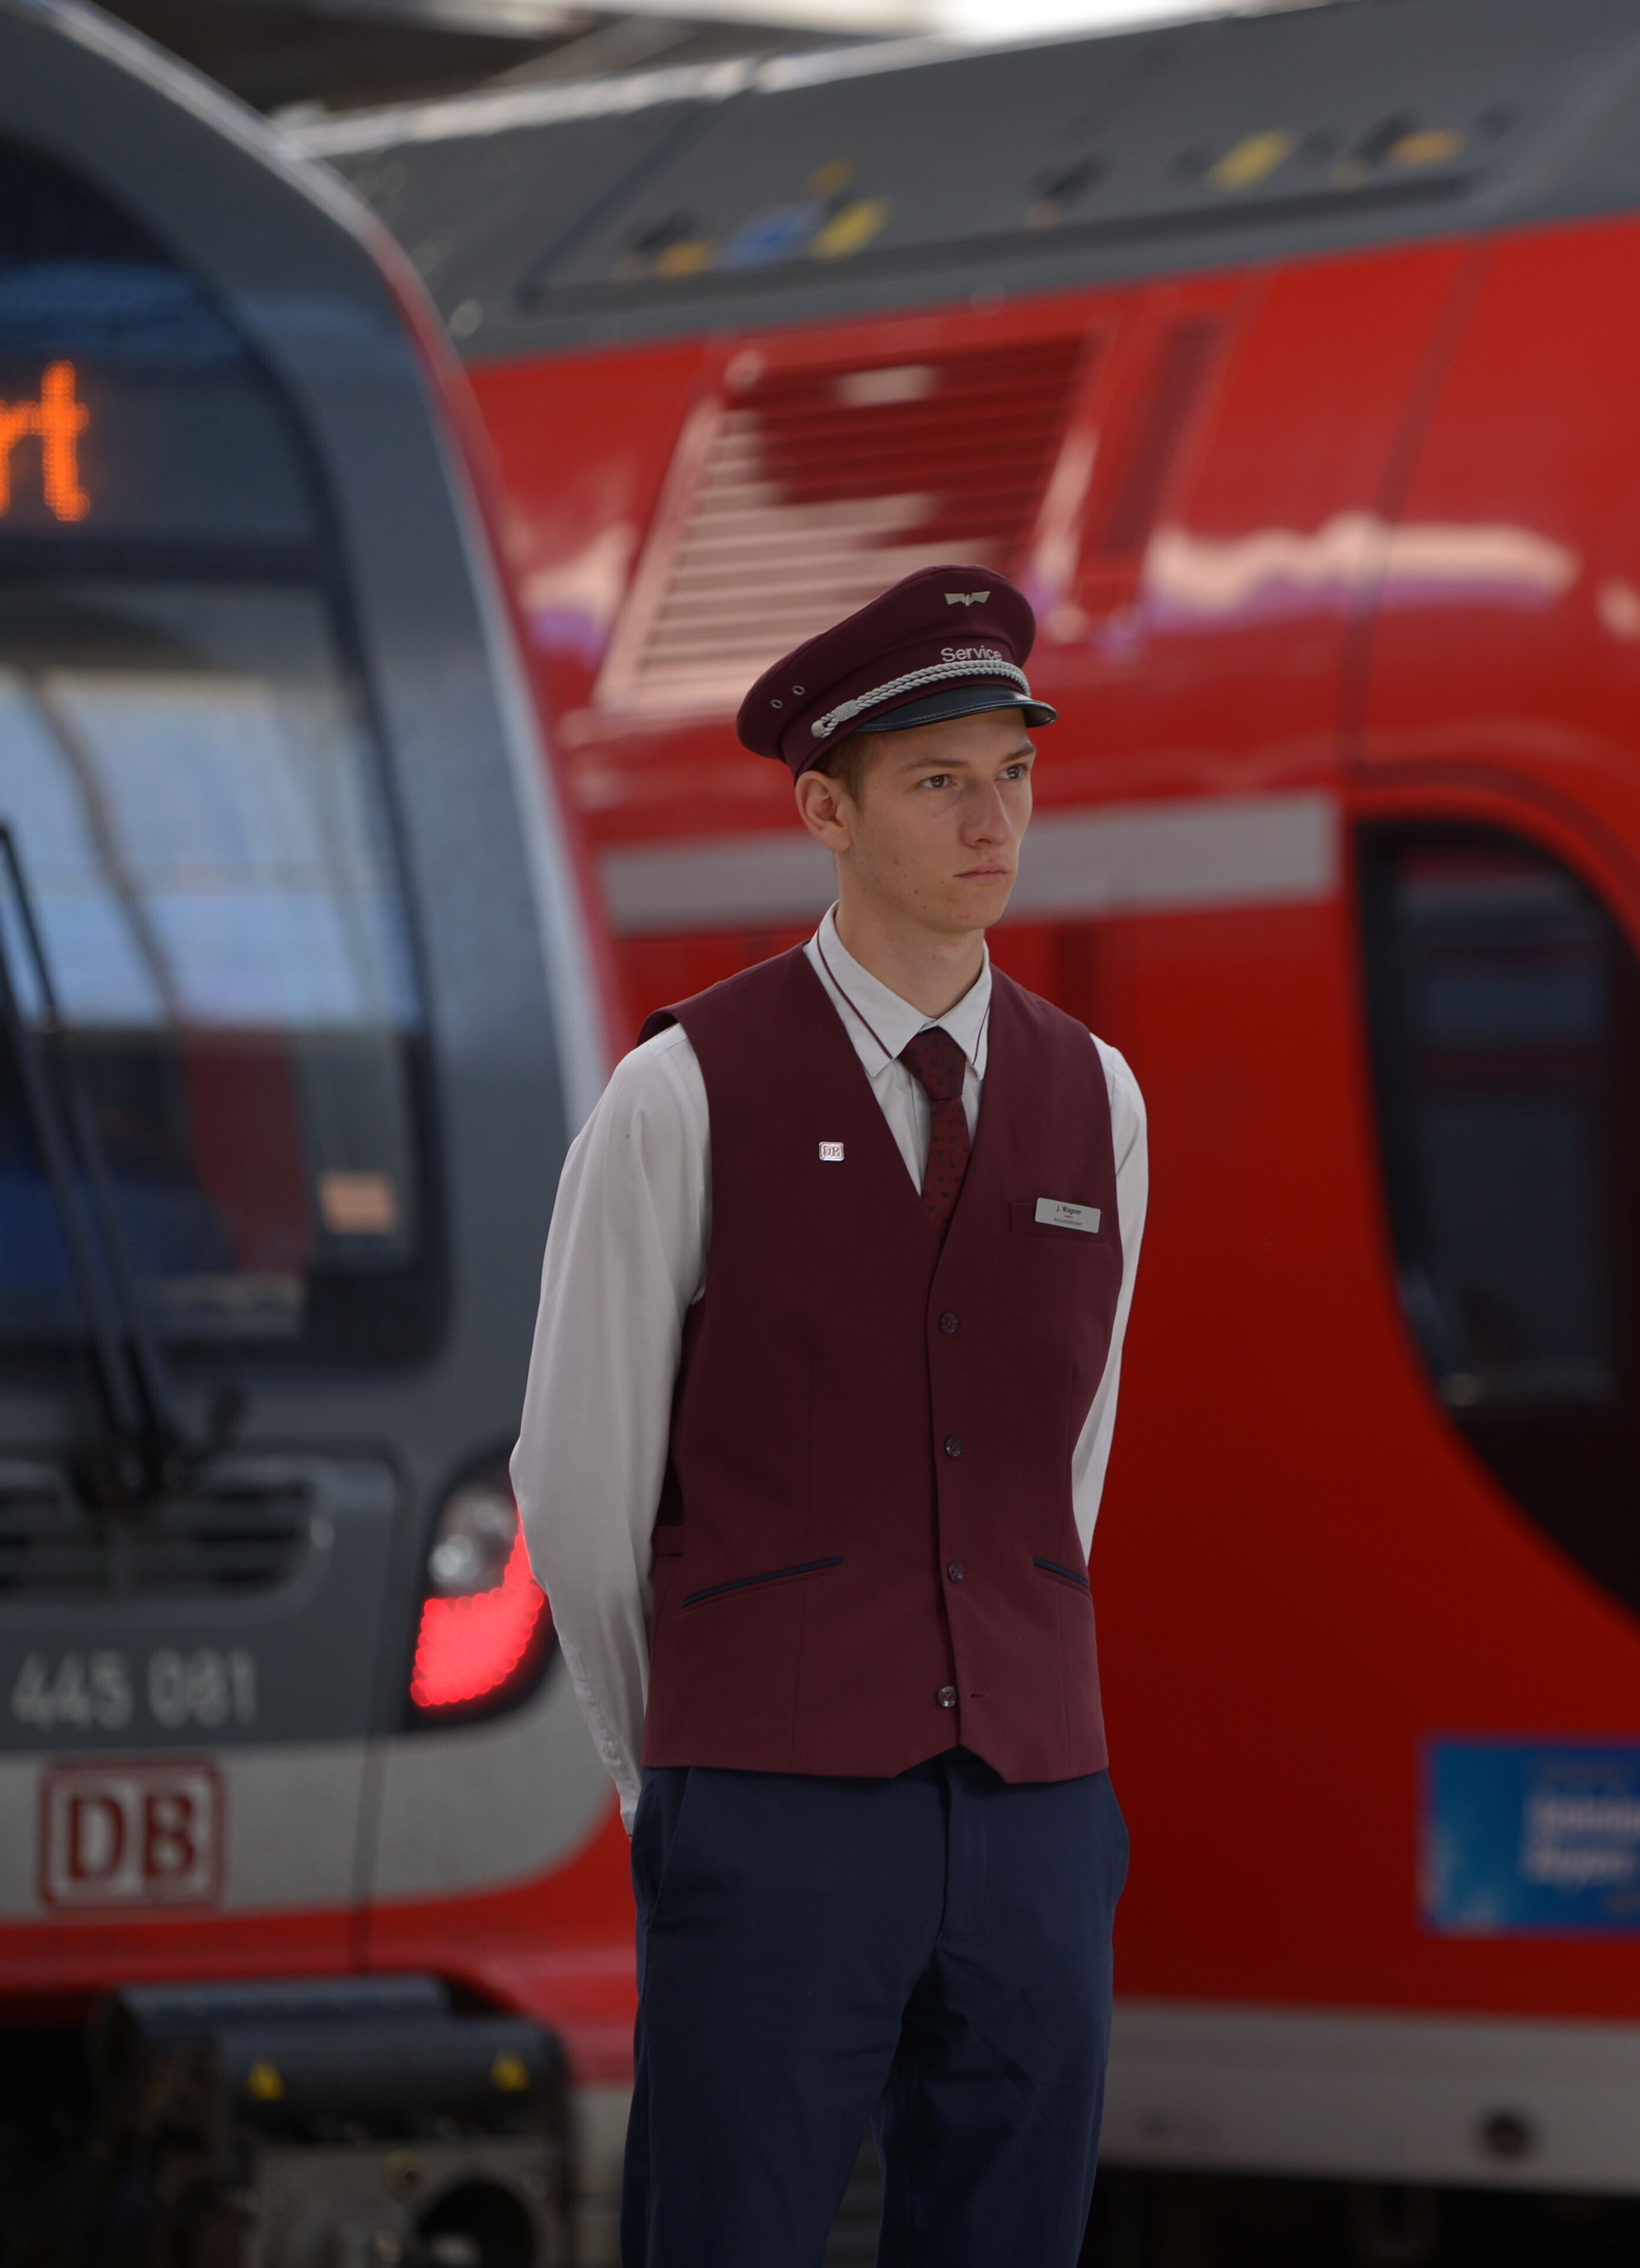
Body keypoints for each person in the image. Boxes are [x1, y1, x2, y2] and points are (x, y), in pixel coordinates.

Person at [512, 563, 1146, 2266]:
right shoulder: (680, 1093)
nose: (990, 815)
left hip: (1033, 1807)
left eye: (1011, 770)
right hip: (767, 1806)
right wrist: (686, 1779)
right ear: (825, 807)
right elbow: (576, 1482)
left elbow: (1061, 1459)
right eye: (940, 780)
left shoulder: (1100, 1098)